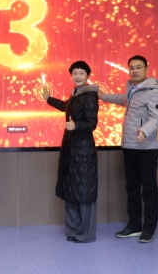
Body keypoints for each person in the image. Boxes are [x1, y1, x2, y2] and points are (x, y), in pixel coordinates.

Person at [99, 55, 158, 243]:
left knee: (149, 190)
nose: (135, 71)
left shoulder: (154, 90)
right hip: (129, 146)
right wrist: (102, 96)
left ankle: (149, 228)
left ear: (146, 69)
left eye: (138, 67)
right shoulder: (132, 88)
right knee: (132, 189)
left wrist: (144, 131)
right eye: (131, 68)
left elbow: (156, 117)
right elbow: (124, 100)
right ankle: (135, 225)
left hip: (146, 149)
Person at [43, 60, 100, 243]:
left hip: (83, 151)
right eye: (75, 73)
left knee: (84, 192)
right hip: (71, 149)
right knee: (72, 190)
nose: (78, 76)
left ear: (87, 76)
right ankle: (73, 230)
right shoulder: (76, 94)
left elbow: (92, 123)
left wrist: (76, 125)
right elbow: (65, 106)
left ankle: (86, 234)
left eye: (81, 73)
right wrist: (48, 98)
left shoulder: (89, 95)